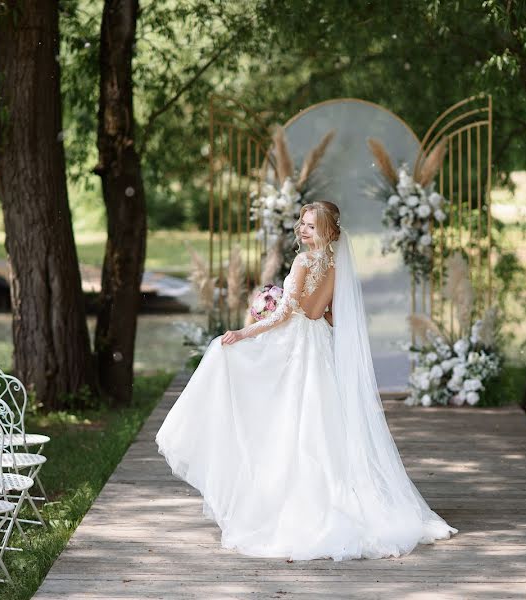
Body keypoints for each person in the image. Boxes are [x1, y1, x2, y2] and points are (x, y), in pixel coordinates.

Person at [155, 200, 457, 561]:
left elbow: (284, 315)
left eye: (310, 226)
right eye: (302, 222)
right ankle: (339, 498)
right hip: (321, 346)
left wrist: (245, 331)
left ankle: (291, 505)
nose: (302, 229)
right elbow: (328, 314)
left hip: (298, 346)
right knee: (324, 423)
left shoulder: (303, 261)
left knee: (284, 414)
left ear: (327, 231)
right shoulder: (337, 264)